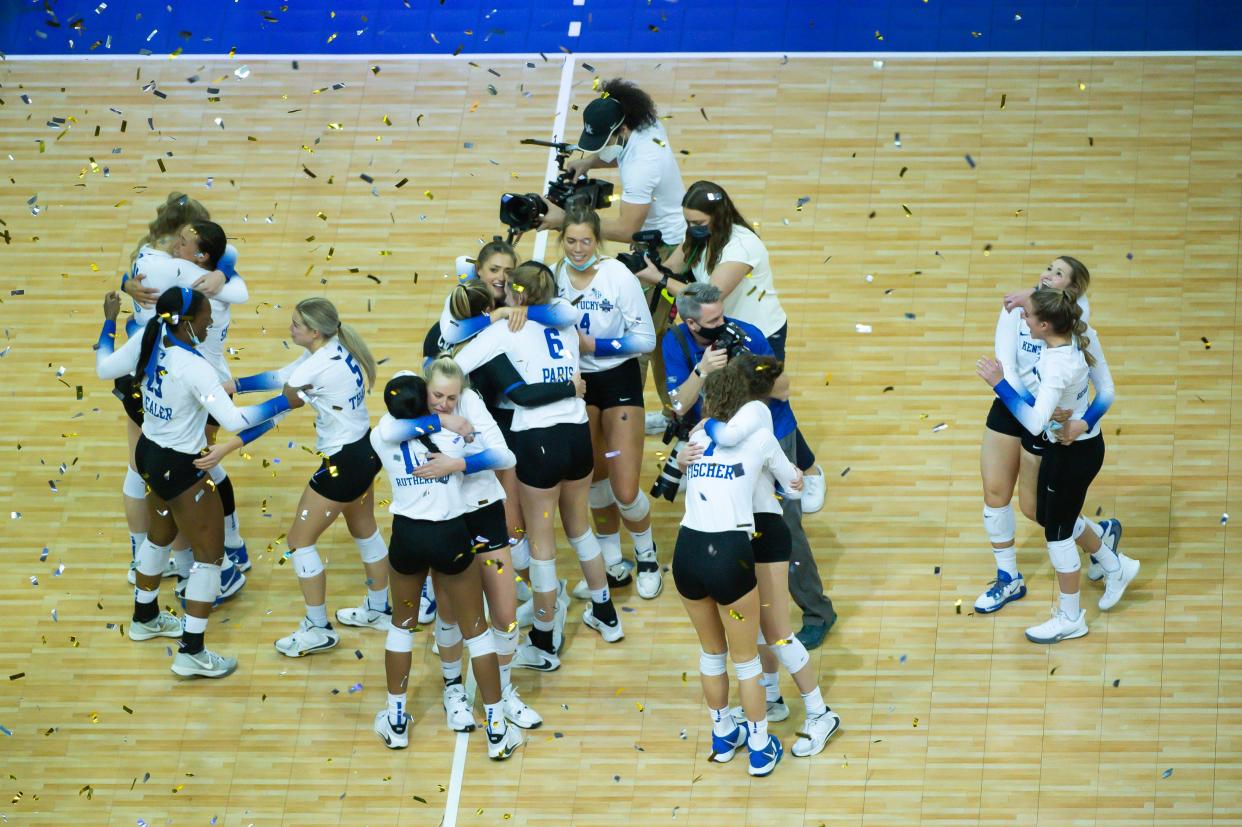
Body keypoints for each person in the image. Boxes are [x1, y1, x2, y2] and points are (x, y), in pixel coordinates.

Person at [197, 298, 393, 658]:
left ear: (315, 332)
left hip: (341, 465)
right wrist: (235, 384)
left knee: (300, 542)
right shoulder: (333, 349)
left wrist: (227, 442)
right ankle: (379, 609)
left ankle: (318, 629)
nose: (290, 329)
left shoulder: (313, 369)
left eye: (296, 325)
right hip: (366, 452)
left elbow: (274, 412)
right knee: (365, 530)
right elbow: (281, 376)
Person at [452, 262, 623, 671]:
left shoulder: (503, 330)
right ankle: (605, 613)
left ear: (515, 294)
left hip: (538, 442)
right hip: (577, 436)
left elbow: (453, 365)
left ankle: (544, 641)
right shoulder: (562, 322)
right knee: (579, 527)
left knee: (543, 542)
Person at [679, 353, 841, 757]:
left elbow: (792, 482)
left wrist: (787, 483)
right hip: (731, 535)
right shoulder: (709, 433)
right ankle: (770, 698)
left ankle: (820, 712)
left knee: (775, 629)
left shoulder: (753, 425)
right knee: (748, 630)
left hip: (763, 533)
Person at [632, 180, 826, 512]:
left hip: (760, 336)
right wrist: (651, 265)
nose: (692, 228)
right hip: (719, 331)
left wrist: (659, 280)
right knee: (720, 400)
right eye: (688, 221)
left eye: (698, 223)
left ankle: (809, 471)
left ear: (718, 217)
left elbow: (709, 296)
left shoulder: (741, 245)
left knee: (767, 404)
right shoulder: (699, 237)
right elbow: (675, 266)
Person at [662, 282, 837, 650]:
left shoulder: (747, 334)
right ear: (692, 324)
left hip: (769, 435)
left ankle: (817, 612)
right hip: (720, 443)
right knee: (730, 524)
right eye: (713, 320)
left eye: (723, 314)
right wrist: (704, 370)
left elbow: (783, 389)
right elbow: (678, 404)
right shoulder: (675, 343)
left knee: (783, 525)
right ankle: (755, 612)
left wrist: (747, 369)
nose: (723, 323)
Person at [127, 287, 291, 677]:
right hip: (181, 467)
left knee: (159, 535)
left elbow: (211, 392)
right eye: (205, 318)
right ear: (187, 322)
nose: (211, 322)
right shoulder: (194, 366)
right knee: (209, 558)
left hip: (150, 455)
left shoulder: (152, 339)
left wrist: (275, 382)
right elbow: (233, 421)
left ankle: (145, 617)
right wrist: (283, 405)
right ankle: (192, 652)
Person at [370, 371, 522, 760]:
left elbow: (390, 428)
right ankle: (497, 729)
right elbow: (496, 455)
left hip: (406, 537)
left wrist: (435, 418)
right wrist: (448, 423)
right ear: (423, 401)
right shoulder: (452, 439)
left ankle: (397, 720)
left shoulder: (381, 434)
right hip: (450, 536)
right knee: (477, 631)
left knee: (401, 627)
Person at [976, 288, 1139, 644]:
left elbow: (1034, 423)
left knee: (1058, 537)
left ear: (1045, 324)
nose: (1024, 319)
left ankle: (1071, 618)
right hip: (1074, 448)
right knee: (1053, 520)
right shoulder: (1072, 342)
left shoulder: (1055, 363)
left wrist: (998, 384)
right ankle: (1115, 565)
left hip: (1072, 455)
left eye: (1029, 316)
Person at [405, 357, 544, 732]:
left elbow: (505, 455)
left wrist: (459, 463)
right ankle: (453, 690)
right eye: (437, 395)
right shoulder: (413, 407)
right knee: (449, 612)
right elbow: (386, 431)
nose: (444, 403)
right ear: (425, 388)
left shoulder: (472, 403)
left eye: (451, 398)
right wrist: (441, 422)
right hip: (445, 521)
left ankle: (503, 688)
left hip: (484, 513)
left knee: (505, 610)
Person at [541, 78, 687, 432]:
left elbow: (626, 229)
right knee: (662, 336)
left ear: (623, 128)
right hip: (655, 240)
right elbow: (615, 150)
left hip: (663, 249)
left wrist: (567, 221)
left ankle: (630, 416)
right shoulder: (645, 124)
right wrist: (588, 162)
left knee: (638, 338)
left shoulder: (642, 165)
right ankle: (676, 412)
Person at [673, 364, 798, 777]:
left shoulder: (695, 436)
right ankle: (761, 747)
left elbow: (680, 475)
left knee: (712, 653)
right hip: (729, 552)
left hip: (687, 550)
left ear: (710, 400)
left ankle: (723, 734)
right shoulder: (760, 437)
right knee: (746, 660)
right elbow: (793, 483)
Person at [123, 216, 253, 579]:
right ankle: (232, 546)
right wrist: (224, 271)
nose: (175, 247)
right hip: (199, 386)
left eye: (183, 242)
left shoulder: (184, 276)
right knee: (204, 467)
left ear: (200, 257)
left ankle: (213, 559)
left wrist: (126, 283)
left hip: (200, 391)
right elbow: (234, 263)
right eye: (177, 239)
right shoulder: (209, 280)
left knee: (198, 469)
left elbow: (147, 265)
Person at [551, 207, 662, 600]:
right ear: (561, 239)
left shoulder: (618, 277)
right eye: (570, 240)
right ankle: (614, 562)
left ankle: (646, 554)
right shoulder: (553, 278)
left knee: (626, 488)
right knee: (596, 482)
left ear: (597, 241)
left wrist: (595, 346)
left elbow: (645, 338)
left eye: (585, 241)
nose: (578, 249)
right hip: (579, 385)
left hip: (618, 378)